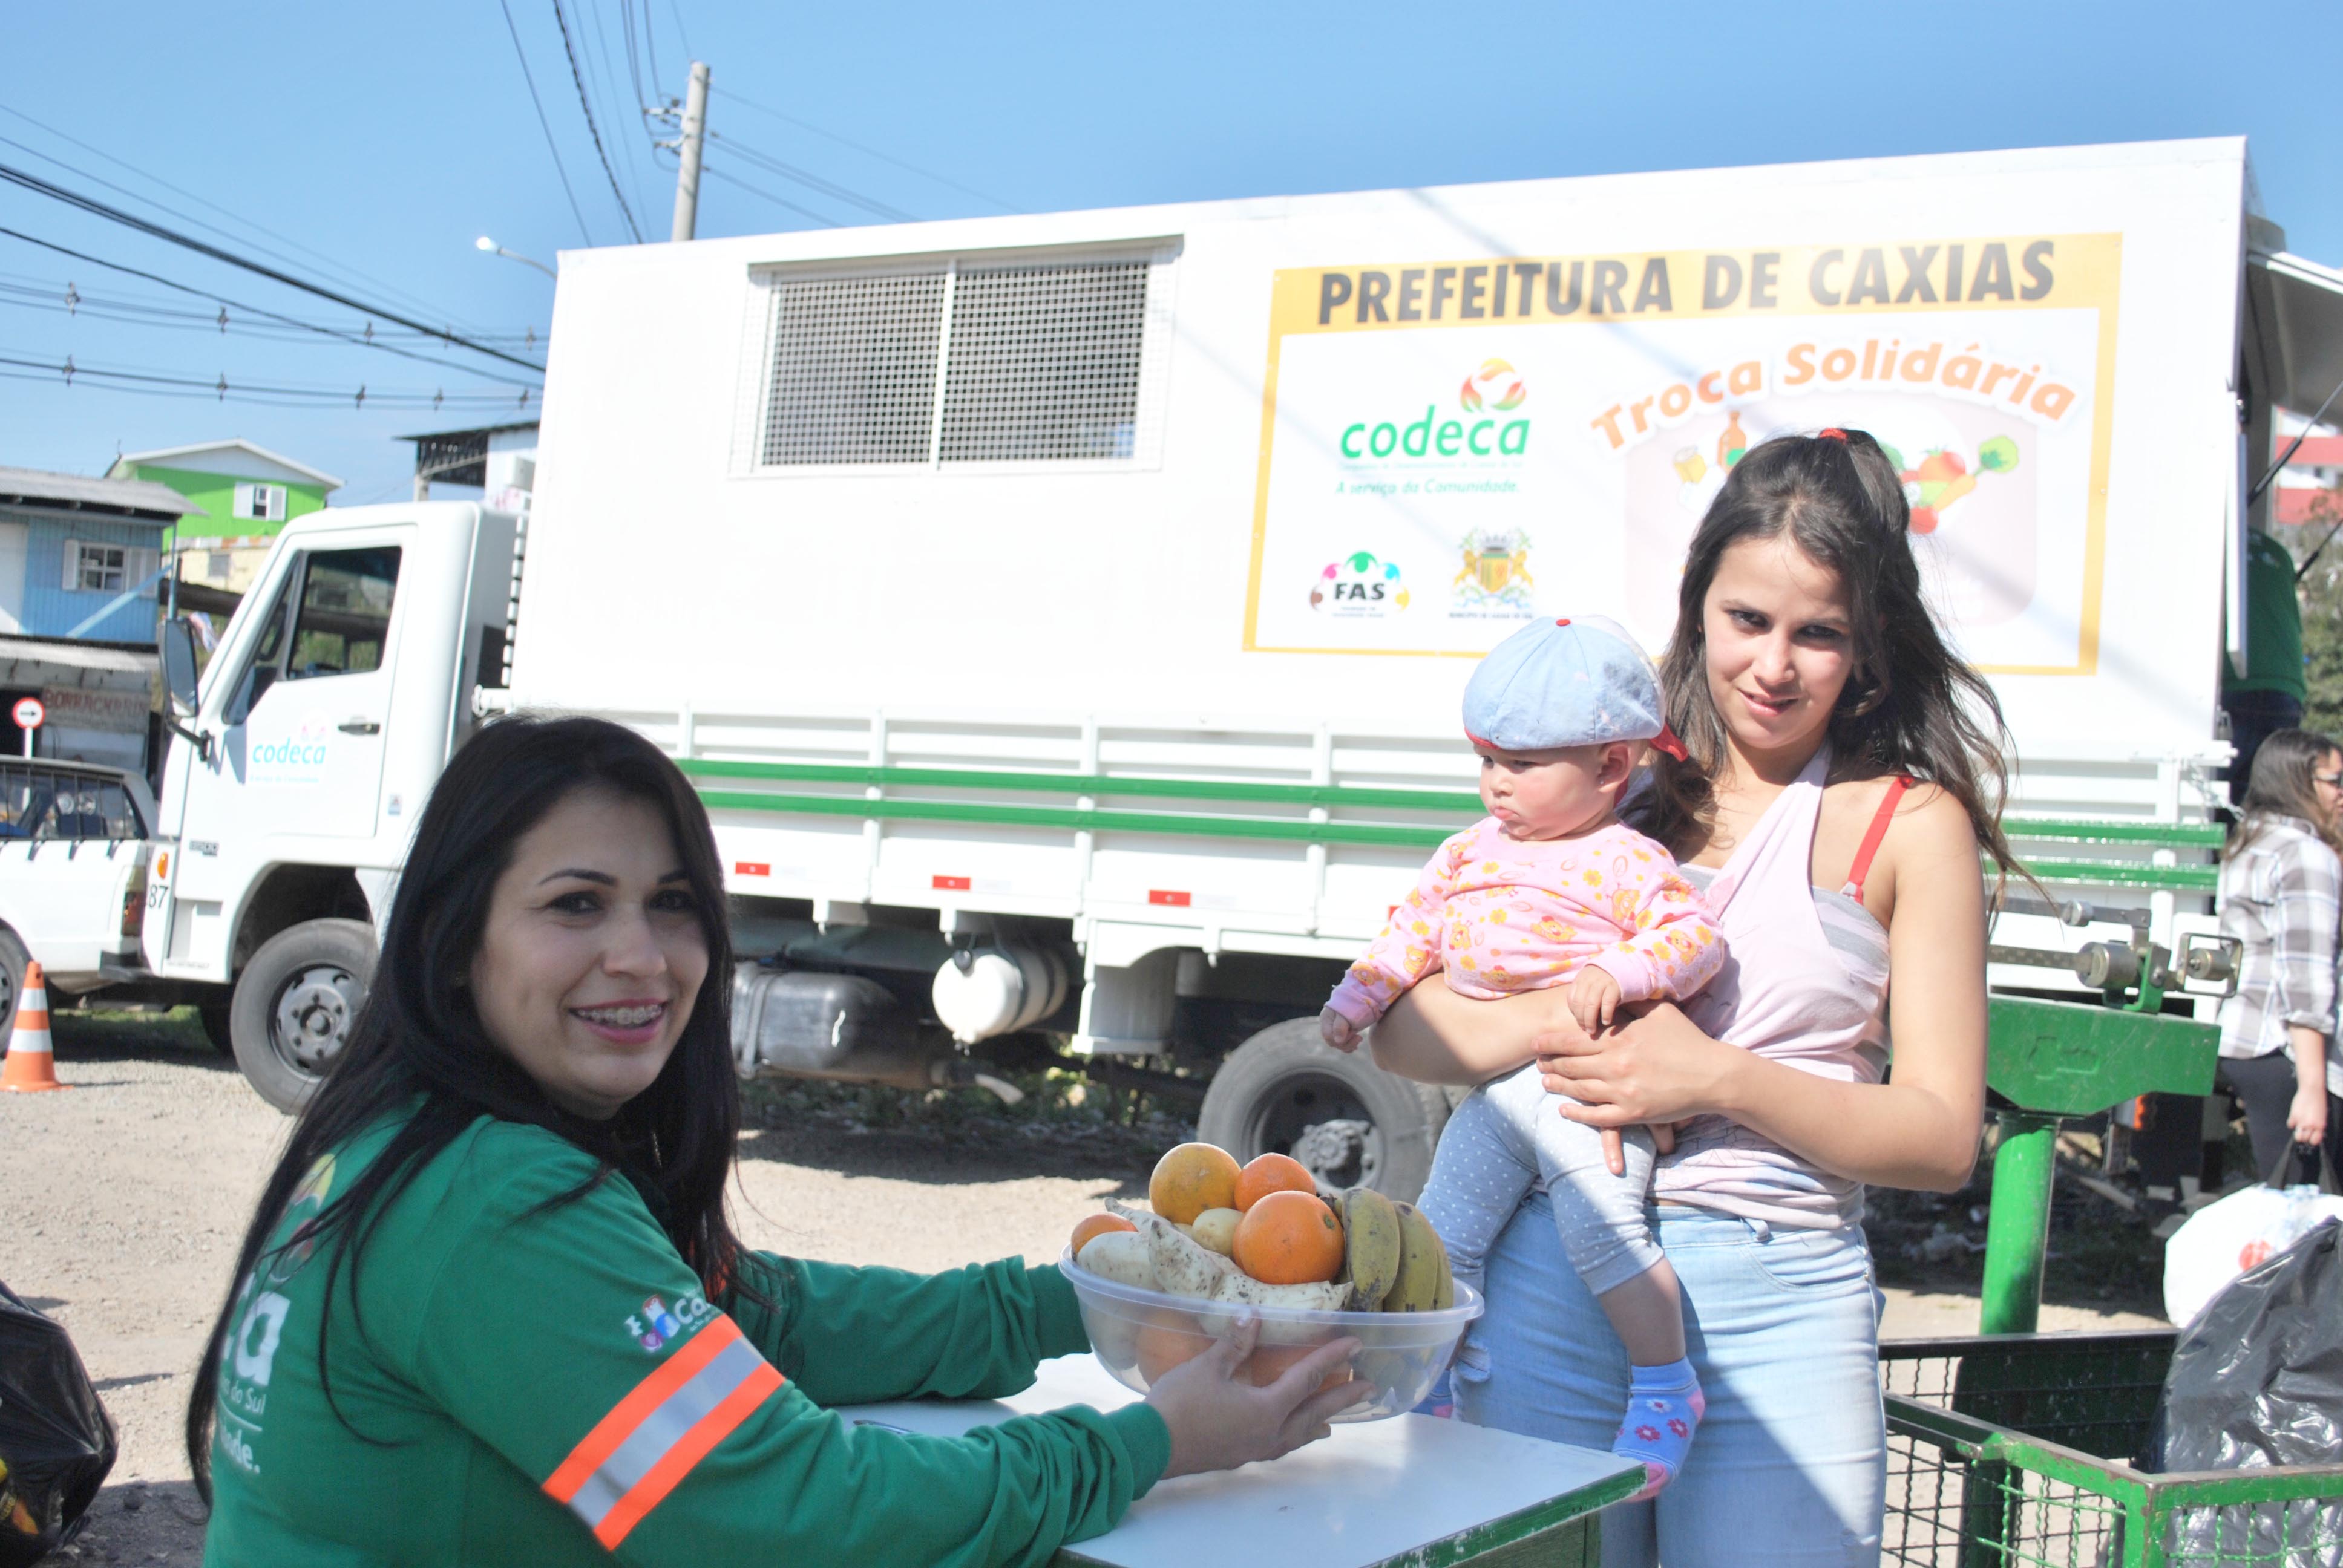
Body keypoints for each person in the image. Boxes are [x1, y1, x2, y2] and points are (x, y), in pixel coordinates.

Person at [187, 715, 1363, 1567]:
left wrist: (1087, 1294)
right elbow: (795, 1512)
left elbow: (768, 1317)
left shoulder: (408, 1140)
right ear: (455, 944)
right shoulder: (495, 1201)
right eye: (575, 904)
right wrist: (1150, 1444)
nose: (643, 955)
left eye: (673, 902)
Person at [1366, 428, 2001, 1567]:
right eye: (1746, 620)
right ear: (1697, 607)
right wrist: (1556, 1023)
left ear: (1868, 645)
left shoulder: (1911, 825)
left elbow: (1941, 1136)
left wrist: (1713, 1079)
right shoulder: (1607, 788)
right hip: (1548, 1281)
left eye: (1819, 634)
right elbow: (1407, 1031)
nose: (1774, 666)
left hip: (1778, 1306)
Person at [1317, 615, 1725, 1495]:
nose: (1497, 782)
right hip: (1498, 1096)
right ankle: (1433, 1382)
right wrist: (1360, 995)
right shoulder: (1465, 852)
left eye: (1523, 764)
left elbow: (1695, 940)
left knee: (1604, 1233)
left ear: (1610, 767)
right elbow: (1412, 933)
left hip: (1582, 1090)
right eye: (1488, 759)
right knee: (1442, 1238)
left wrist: (1623, 969)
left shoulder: (1625, 860)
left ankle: (1666, 1385)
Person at [2215, 727, 2343, 1187]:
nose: (2342, 793)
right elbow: (2305, 978)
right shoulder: (2305, 855)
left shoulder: (2249, 845)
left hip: (2247, 1043)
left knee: (2288, 1198)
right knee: (2309, 1210)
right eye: (2335, 781)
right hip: (2288, 1052)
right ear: (2298, 782)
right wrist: (2312, 1087)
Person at [2223, 527, 2308, 803]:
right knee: (2271, 795)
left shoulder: (2210, 541)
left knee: (2225, 792)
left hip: (2237, 679)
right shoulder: (2276, 551)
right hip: (2285, 685)